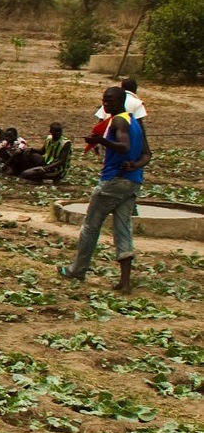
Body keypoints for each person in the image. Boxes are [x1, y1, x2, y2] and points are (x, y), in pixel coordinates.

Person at [61, 86, 148, 293]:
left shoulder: (118, 121)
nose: (106, 104)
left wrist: (101, 141)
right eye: (104, 101)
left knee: (91, 225)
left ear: (121, 101)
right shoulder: (133, 121)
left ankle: (77, 270)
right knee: (123, 229)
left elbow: (124, 147)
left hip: (113, 180)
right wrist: (135, 165)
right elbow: (146, 154)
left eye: (110, 101)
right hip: (133, 182)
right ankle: (125, 281)